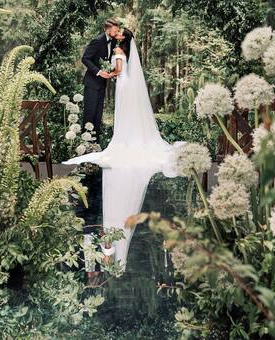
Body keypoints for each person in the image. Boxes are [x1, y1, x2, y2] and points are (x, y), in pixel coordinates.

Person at [64, 27, 185, 269]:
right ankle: (130, 138)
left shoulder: (119, 50)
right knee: (129, 118)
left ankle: (126, 139)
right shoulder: (124, 49)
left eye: (120, 33)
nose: (117, 34)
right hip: (127, 85)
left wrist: (109, 73)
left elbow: (119, 71)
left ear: (123, 38)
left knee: (125, 120)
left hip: (123, 84)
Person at [81, 18, 119, 139]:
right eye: (115, 31)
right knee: (89, 114)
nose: (117, 33)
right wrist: (99, 72)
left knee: (98, 115)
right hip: (92, 83)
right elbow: (85, 58)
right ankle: (85, 143)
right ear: (108, 30)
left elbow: (108, 60)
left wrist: (112, 72)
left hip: (102, 84)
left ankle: (95, 143)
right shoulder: (97, 41)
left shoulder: (113, 41)